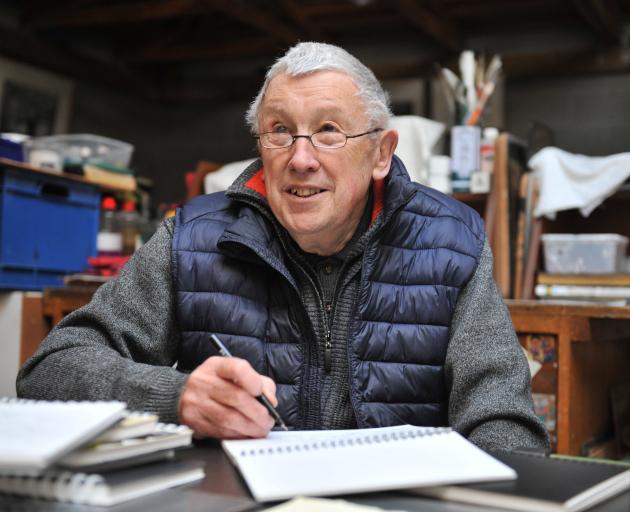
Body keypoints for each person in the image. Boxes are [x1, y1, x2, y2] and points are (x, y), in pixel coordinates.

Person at [17, 42, 548, 450]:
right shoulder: (196, 238)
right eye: (279, 131)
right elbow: (49, 370)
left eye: (328, 131)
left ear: (381, 152)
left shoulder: (450, 241)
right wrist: (177, 397)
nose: (300, 158)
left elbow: (503, 419)